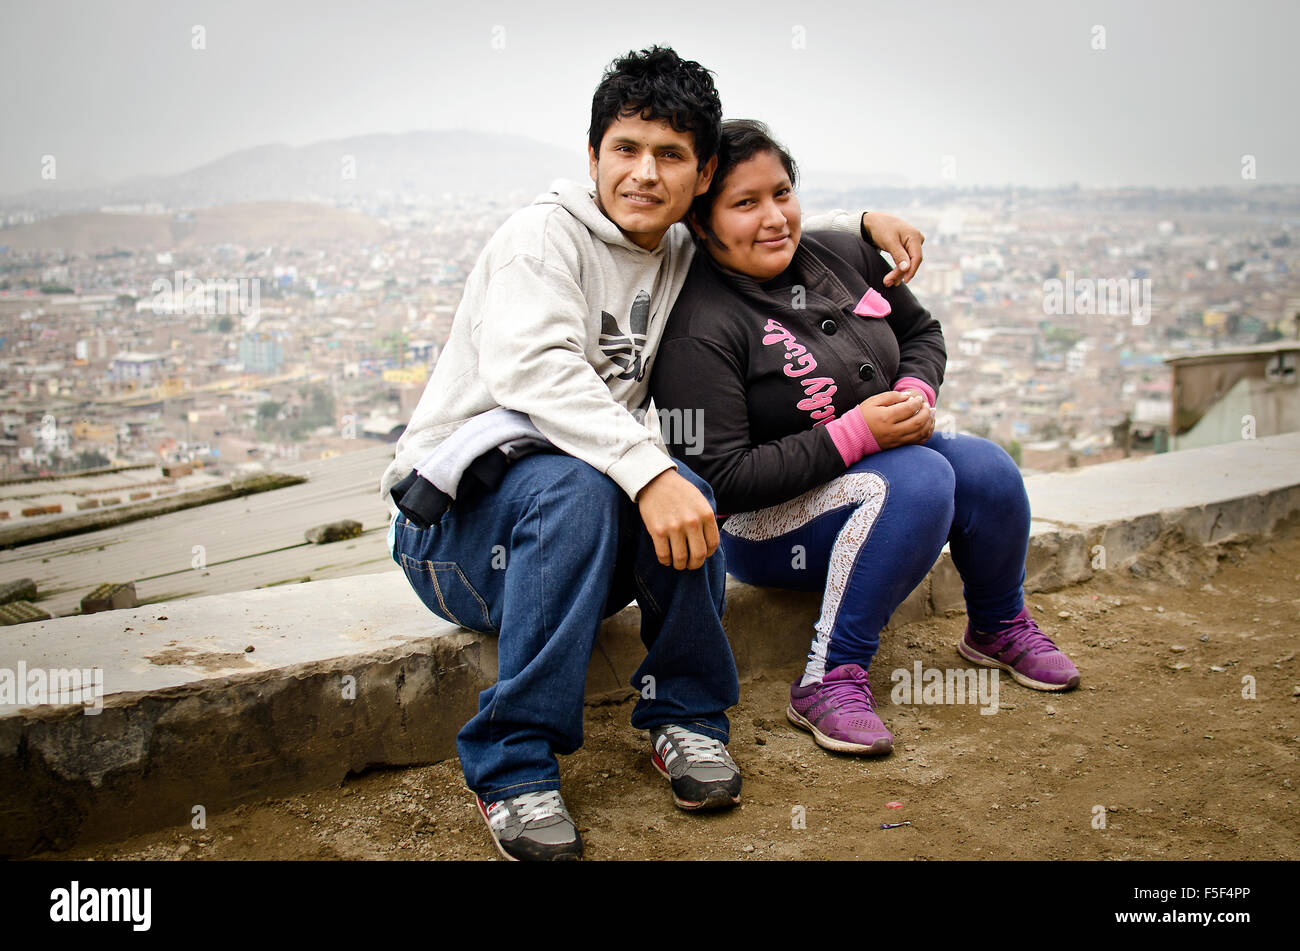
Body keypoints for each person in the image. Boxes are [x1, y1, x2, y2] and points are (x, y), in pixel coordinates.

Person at [379, 50, 928, 859]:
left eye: (670, 156)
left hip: (575, 552)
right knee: (599, 485)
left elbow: (762, 222)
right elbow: (537, 372)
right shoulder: (541, 240)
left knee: (680, 486)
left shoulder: (677, 249)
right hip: (458, 540)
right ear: (593, 155)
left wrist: (869, 225)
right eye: (625, 149)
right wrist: (652, 471)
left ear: (699, 175)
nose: (644, 173)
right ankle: (511, 762)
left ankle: (688, 716)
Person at [650, 119, 1080, 758]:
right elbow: (721, 478)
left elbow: (921, 333)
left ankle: (997, 624)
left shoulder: (840, 255)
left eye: (783, 193)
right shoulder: (702, 325)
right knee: (922, 478)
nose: (774, 218)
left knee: (986, 467)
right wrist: (853, 434)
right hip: (767, 526)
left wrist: (916, 392)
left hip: (882, 484)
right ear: (702, 224)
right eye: (745, 204)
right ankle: (829, 677)